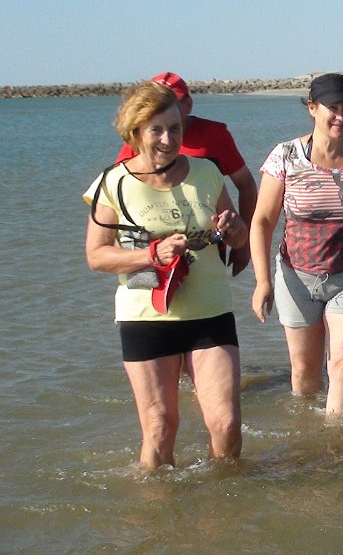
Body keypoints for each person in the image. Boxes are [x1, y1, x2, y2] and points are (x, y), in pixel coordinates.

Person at [84, 81, 248, 469]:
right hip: (146, 316)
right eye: (156, 129)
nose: (168, 139)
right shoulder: (113, 183)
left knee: (226, 425)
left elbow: (238, 236)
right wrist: (151, 254)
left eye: (175, 128)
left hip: (209, 312)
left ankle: (224, 502)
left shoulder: (207, 172)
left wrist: (234, 229)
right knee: (160, 427)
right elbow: (97, 256)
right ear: (135, 132)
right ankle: (158, 506)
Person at [249, 73, 343, 415]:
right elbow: (262, 222)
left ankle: (340, 443)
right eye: (333, 108)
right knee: (305, 375)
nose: (341, 117)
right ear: (312, 108)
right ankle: (307, 438)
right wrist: (262, 282)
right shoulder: (285, 156)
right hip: (296, 279)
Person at [117, 72, 257, 276]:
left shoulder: (214, 135)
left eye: (172, 101)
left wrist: (244, 244)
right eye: (156, 101)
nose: (165, 107)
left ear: (188, 104)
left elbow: (246, 185)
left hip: (206, 246)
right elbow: (116, 196)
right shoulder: (140, 141)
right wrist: (130, 253)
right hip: (154, 254)